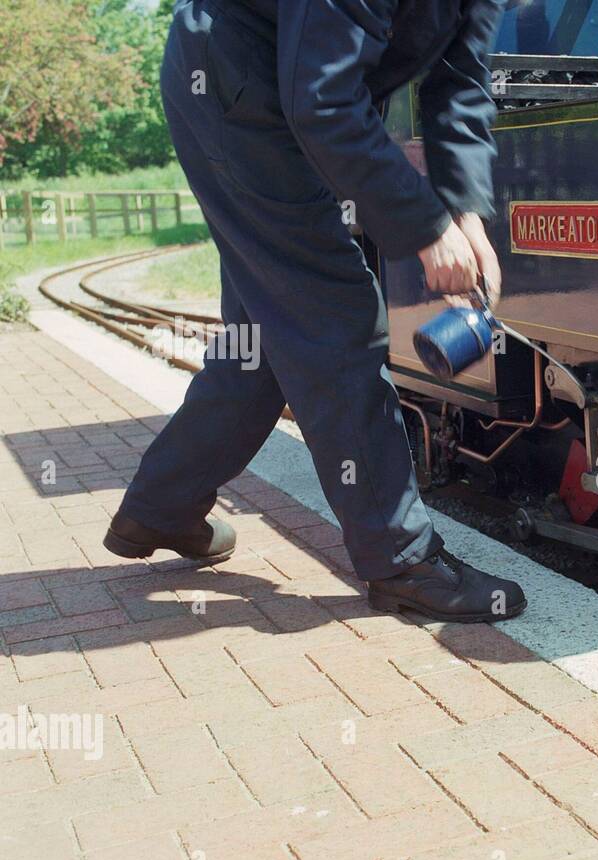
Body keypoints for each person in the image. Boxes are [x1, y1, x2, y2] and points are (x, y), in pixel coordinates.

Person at [102, 0, 525, 624]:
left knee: (264, 342)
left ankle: (160, 506)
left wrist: (464, 211)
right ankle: (402, 560)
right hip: (239, 89)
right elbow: (320, 100)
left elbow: (459, 84)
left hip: (300, 91)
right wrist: (426, 228)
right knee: (336, 321)